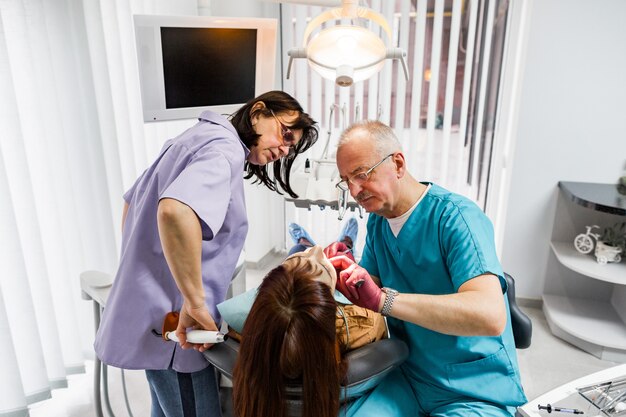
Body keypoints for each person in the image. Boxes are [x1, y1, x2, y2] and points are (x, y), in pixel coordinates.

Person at [94, 91, 318, 417]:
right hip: (180, 327)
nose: (284, 149)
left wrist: (145, 270)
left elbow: (132, 203)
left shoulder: (195, 137)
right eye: (285, 133)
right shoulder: (223, 150)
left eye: (290, 147)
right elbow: (173, 211)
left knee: (166, 406)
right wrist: (194, 302)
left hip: (159, 318)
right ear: (258, 111)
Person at [327, 120, 527, 417]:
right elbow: (369, 286)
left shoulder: (457, 218)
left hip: (473, 389)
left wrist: (386, 301)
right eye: (346, 180)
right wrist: (340, 273)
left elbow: (490, 315)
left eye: (361, 174)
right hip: (409, 375)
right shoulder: (379, 223)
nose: (354, 190)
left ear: (397, 164)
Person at [229, 243, 386, 417]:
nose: (317, 250)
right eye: (317, 267)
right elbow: (379, 322)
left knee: (297, 249)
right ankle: (347, 242)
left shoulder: (245, 328)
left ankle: (302, 243)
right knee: (329, 249)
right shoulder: (364, 324)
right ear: (328, 305)